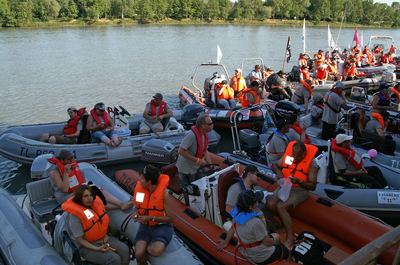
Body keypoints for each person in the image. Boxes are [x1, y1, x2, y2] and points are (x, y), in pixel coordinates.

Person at [62, 185, 130, 265]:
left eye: (91, 195)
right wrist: (97, 249)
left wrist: (121, 205)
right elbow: (80, 240)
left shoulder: (93, 205)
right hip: (87, 247)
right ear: (79, 198)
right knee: (114, 259)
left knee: (125, 250)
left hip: (103, 239)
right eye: (86, 196)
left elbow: (104, 208)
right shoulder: (75, 216)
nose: (89, 198)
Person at [268, 141, 319, 248]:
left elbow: (312, 186)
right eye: (293, 155)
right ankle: (282, 223)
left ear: (304, 154)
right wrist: (279, 173)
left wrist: (299, 181)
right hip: (286, 185)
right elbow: (275, 165)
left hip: (300, 189)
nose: (294, 158)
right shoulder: (290, 157)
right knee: (270, 204)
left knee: (280, 206)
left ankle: (290, 238)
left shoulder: (312, 164)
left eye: (297, 156)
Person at [217, 190, 289, 264]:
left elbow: (232, 229)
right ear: (251, 207)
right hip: (259, 256)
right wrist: (276, 242)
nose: (258, 202)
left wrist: (225, 242)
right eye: (256, 201)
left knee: (276, 236)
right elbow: (267, 242)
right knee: (285, 250)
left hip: (244, 250)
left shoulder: (237, 215)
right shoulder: (256, 222)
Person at [48, 150, 133, 210]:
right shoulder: (55, 173)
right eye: (69, 159)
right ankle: (120, 206)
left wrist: (91, 188)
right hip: (65, 197)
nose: (72, 160)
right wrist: (66, 173)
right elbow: (65, 189)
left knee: (99, 189)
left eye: (73, 158)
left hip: (78, 190)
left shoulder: (75, 167)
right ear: (62, 160)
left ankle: (121, 204)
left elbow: (82, 182)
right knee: (91, 199)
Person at [132, 165, 173, 265]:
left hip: (162, 226)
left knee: (156, 251)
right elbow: (137, 208)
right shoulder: (141, 190)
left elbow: (170, 218)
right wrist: (137, 215)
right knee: (138, 254)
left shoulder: (164, 194)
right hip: (145, 226)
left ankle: (145, 247)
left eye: (142, 178)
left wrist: (151, 218)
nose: (139, 180)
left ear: (149, 182)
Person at [176, 114, 213, 187]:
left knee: (200, 186)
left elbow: (205, 151)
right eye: (210, 124)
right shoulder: (191, 135)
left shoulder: (204, 134)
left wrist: (210, 164)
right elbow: (180, 151)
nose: (212, 125)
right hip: (186, 169)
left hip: (196, 167)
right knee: (189, 190)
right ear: (202, 126)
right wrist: (198, 160)